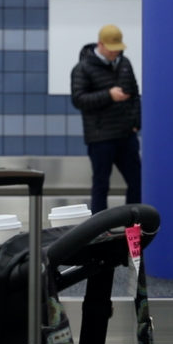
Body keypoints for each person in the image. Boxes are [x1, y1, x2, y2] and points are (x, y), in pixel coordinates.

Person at [70, 24, 142, 213]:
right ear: (100, 45)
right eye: (112, 49)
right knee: (101, 184)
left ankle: (133, 226)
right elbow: (79, 100)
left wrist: (136, 123)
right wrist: (109, 95)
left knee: (138, 181)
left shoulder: (124, 63)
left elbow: (134, 94)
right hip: (100, 137)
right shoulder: (83, 69)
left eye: (118, 49)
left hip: (126, 134)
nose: (115, 53)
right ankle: (100, 230)